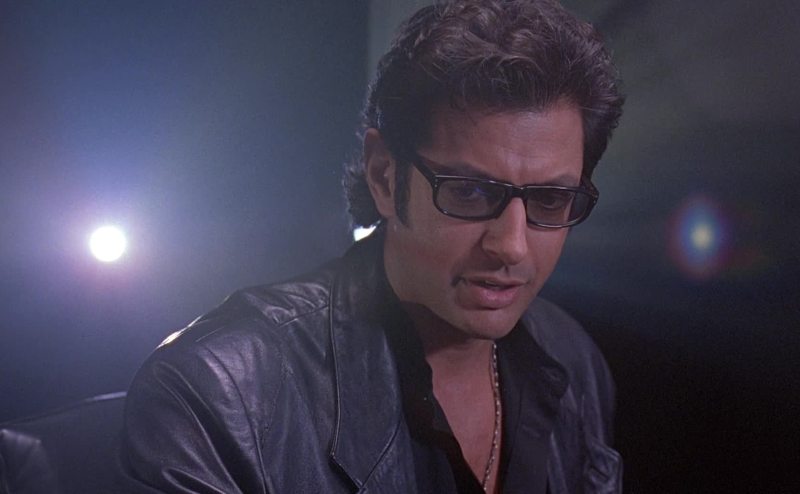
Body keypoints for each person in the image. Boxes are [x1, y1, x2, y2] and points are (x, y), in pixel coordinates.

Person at [120, 1, 624, 493]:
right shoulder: (218, 393)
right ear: (383, 175)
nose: (512, 247)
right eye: (469, 192)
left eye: (551, 199)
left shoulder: (570, 355)